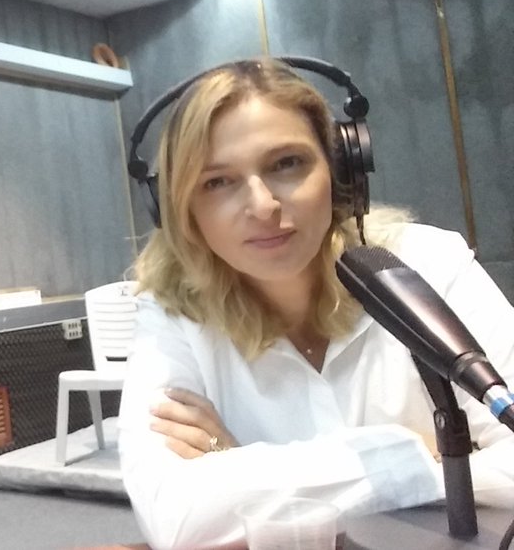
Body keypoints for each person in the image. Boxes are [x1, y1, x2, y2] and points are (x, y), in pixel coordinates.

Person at [117, 58, 514, 549]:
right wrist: (413, 456)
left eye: (286, 163)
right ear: (181, 209)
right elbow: (179, 520)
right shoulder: (171, 314)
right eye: (217, 181)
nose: (262, 205)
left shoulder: (428, 265)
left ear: (340, 168)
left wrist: (236, 465)